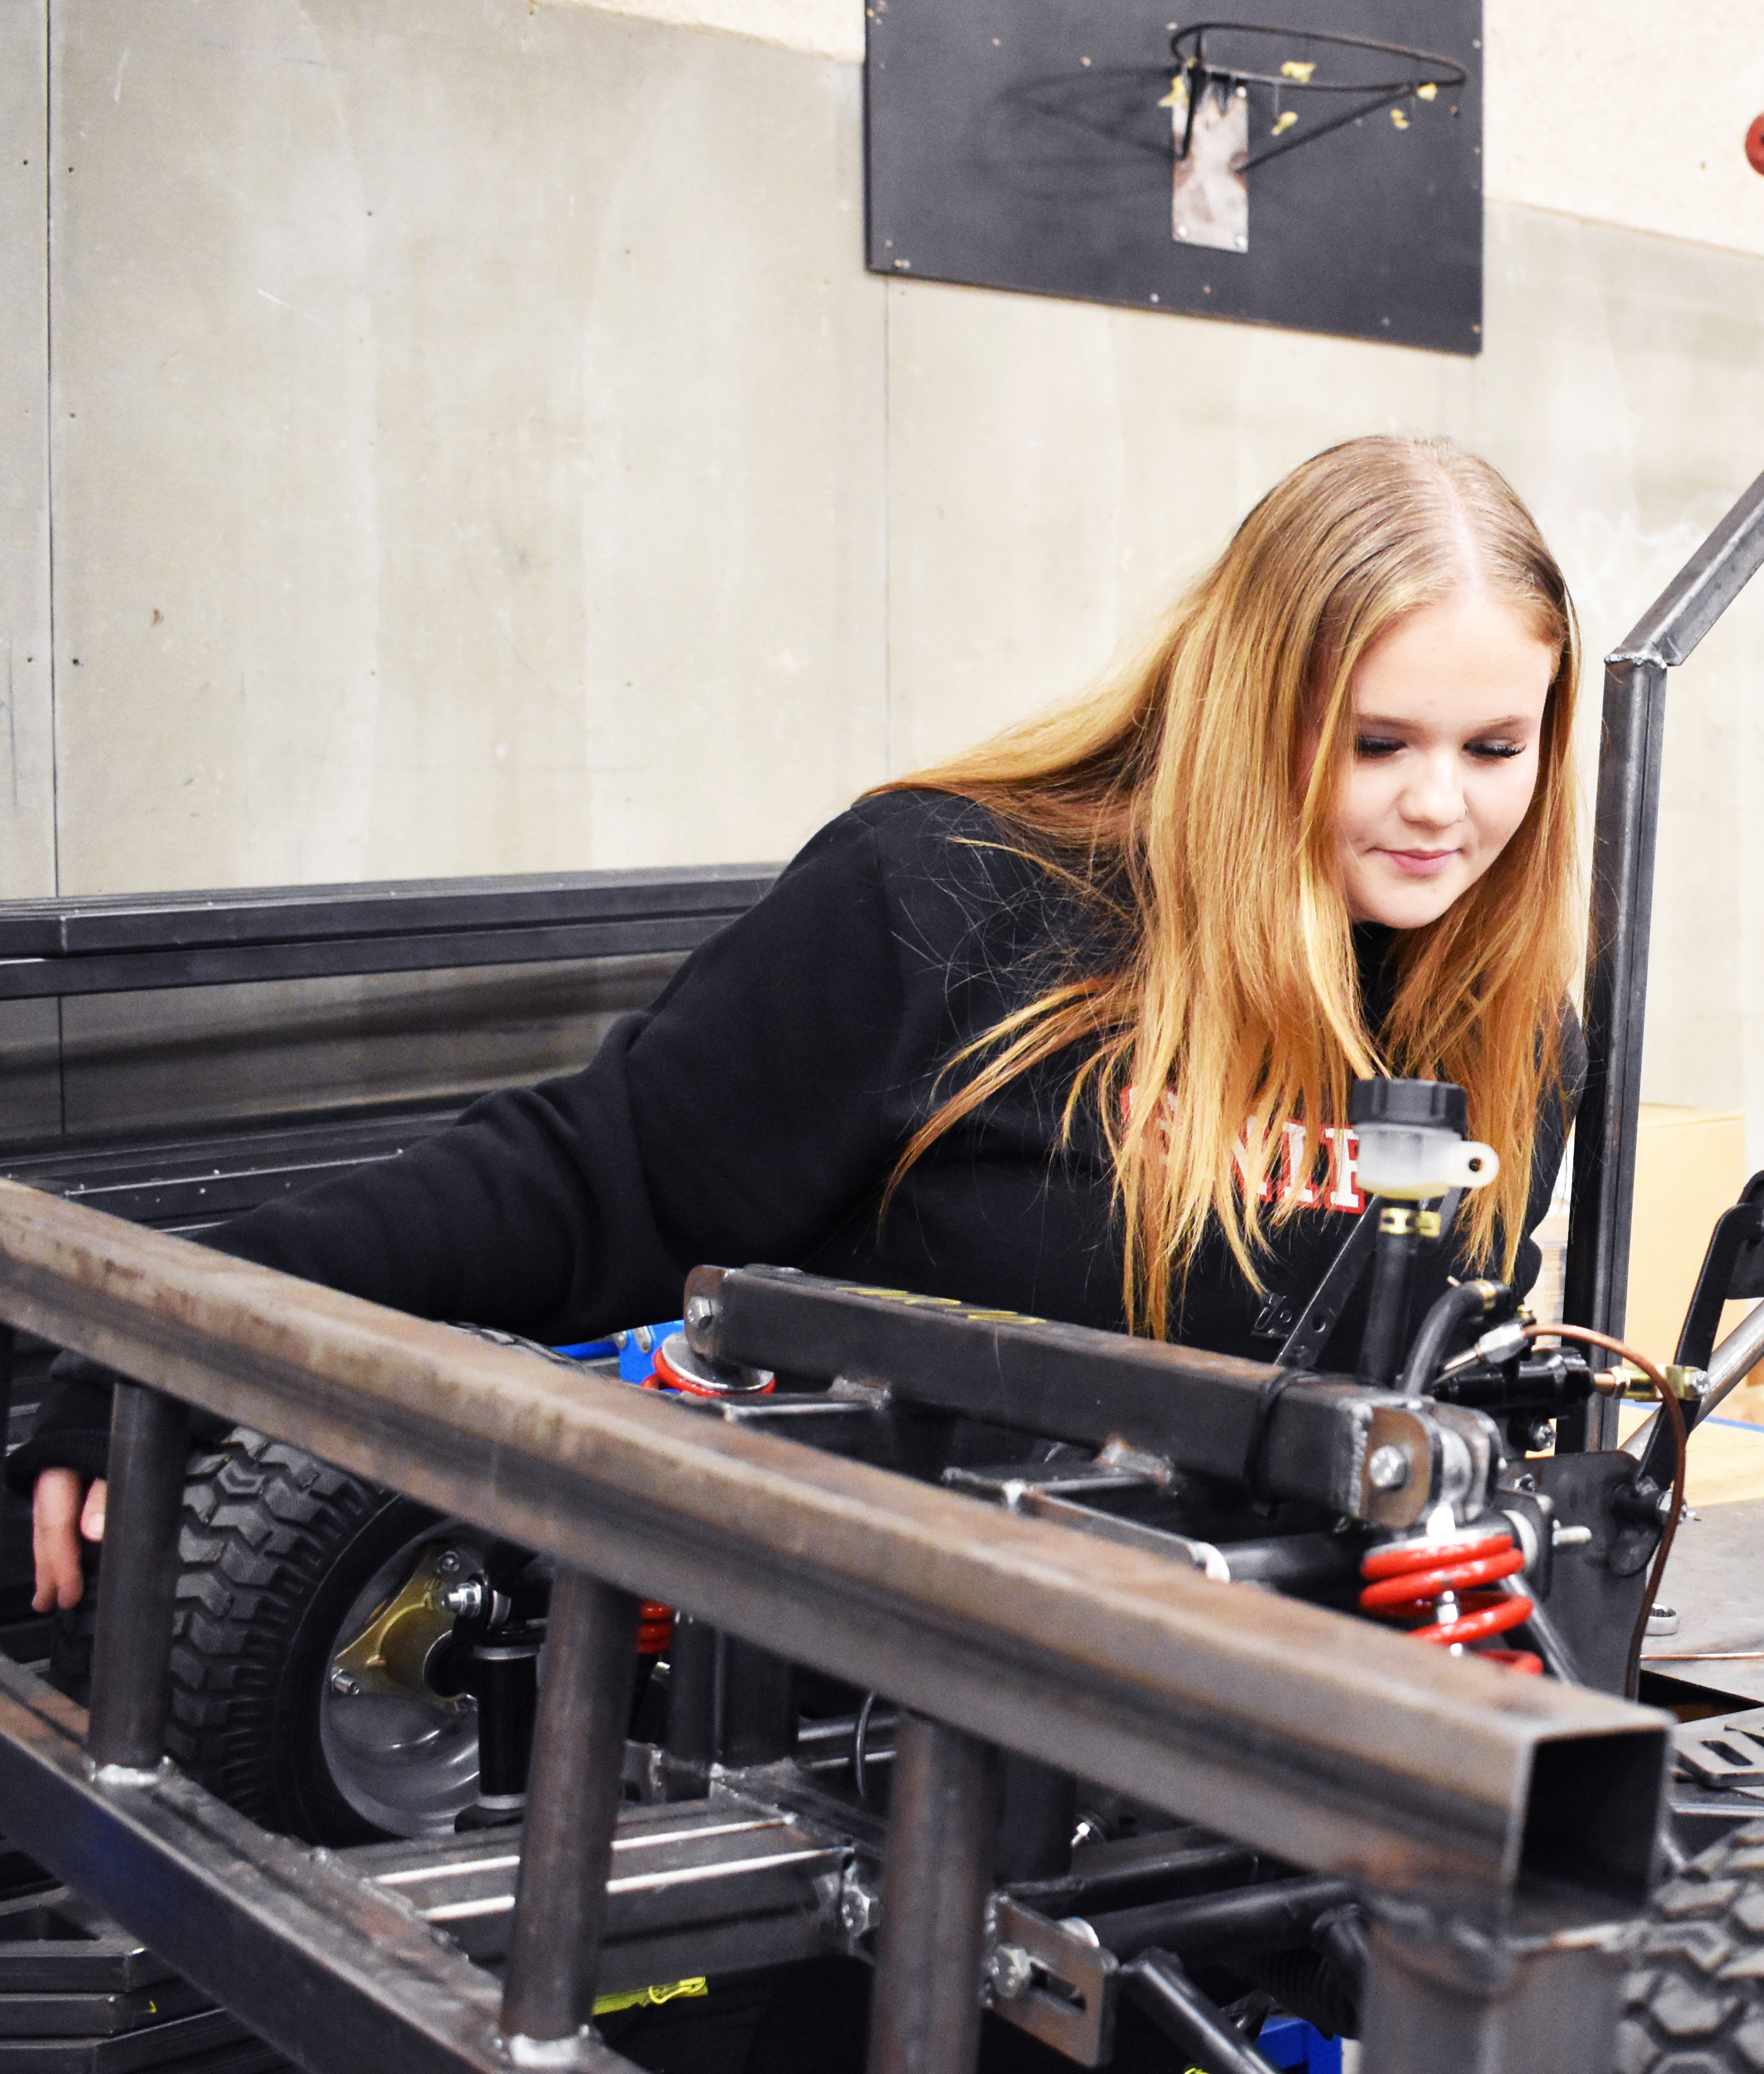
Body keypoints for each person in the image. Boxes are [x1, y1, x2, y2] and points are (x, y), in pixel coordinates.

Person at [13, 433, 1588, 1609]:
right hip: (861, 1705)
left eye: (1494, 746)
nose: (1440, 809)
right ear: (1258, 707)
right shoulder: (953, 899)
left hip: (1282, 1726)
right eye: (1376, 743)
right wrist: (158, 1348)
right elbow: (585, 1188)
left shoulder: (1514, 1033)